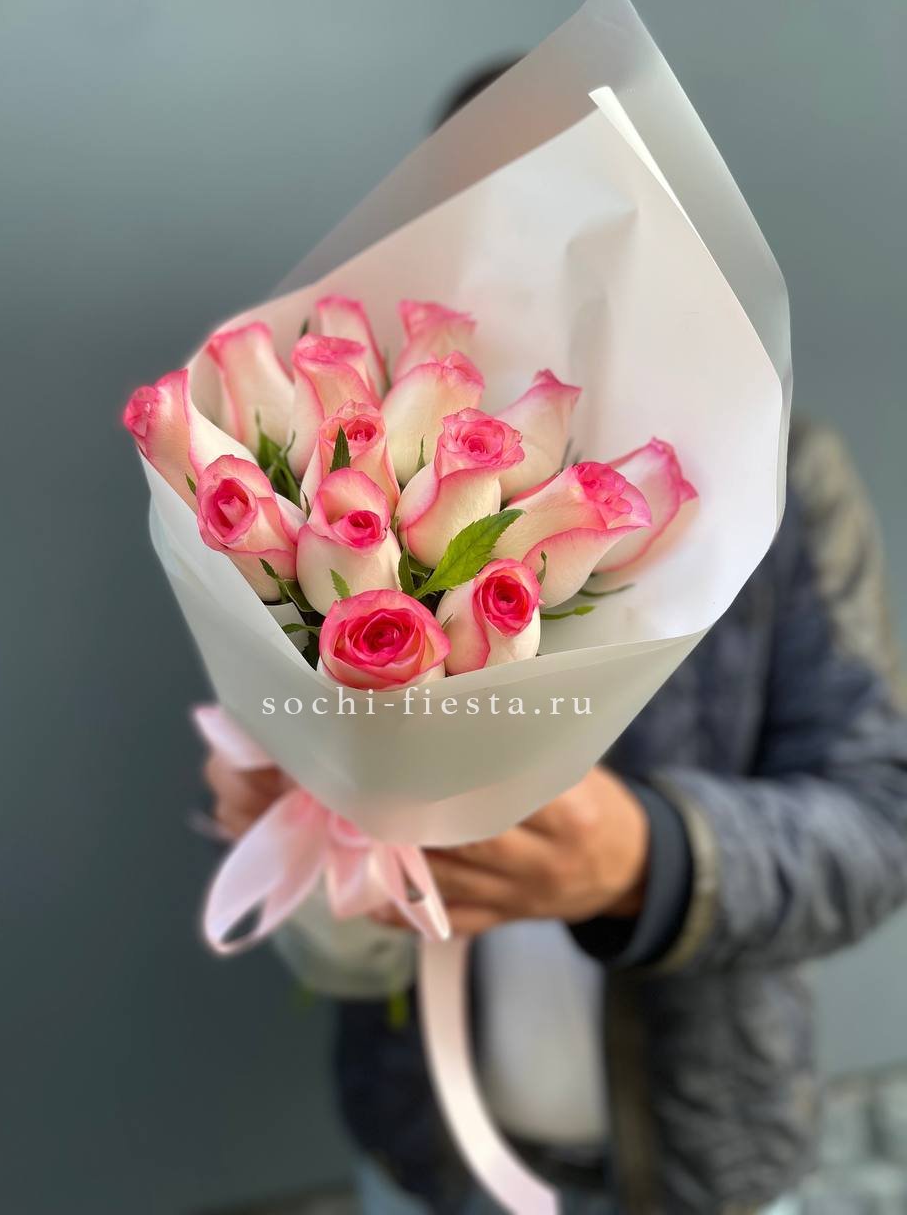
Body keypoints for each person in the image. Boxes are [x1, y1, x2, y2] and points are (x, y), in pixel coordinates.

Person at [203, 72, 907, 1215]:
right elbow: (340, 939)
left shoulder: (778, 484)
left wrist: (652, 858)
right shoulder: (344, 470)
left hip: (705, 1152)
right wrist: (310, 828)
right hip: (423, 1149)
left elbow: (879, 820)